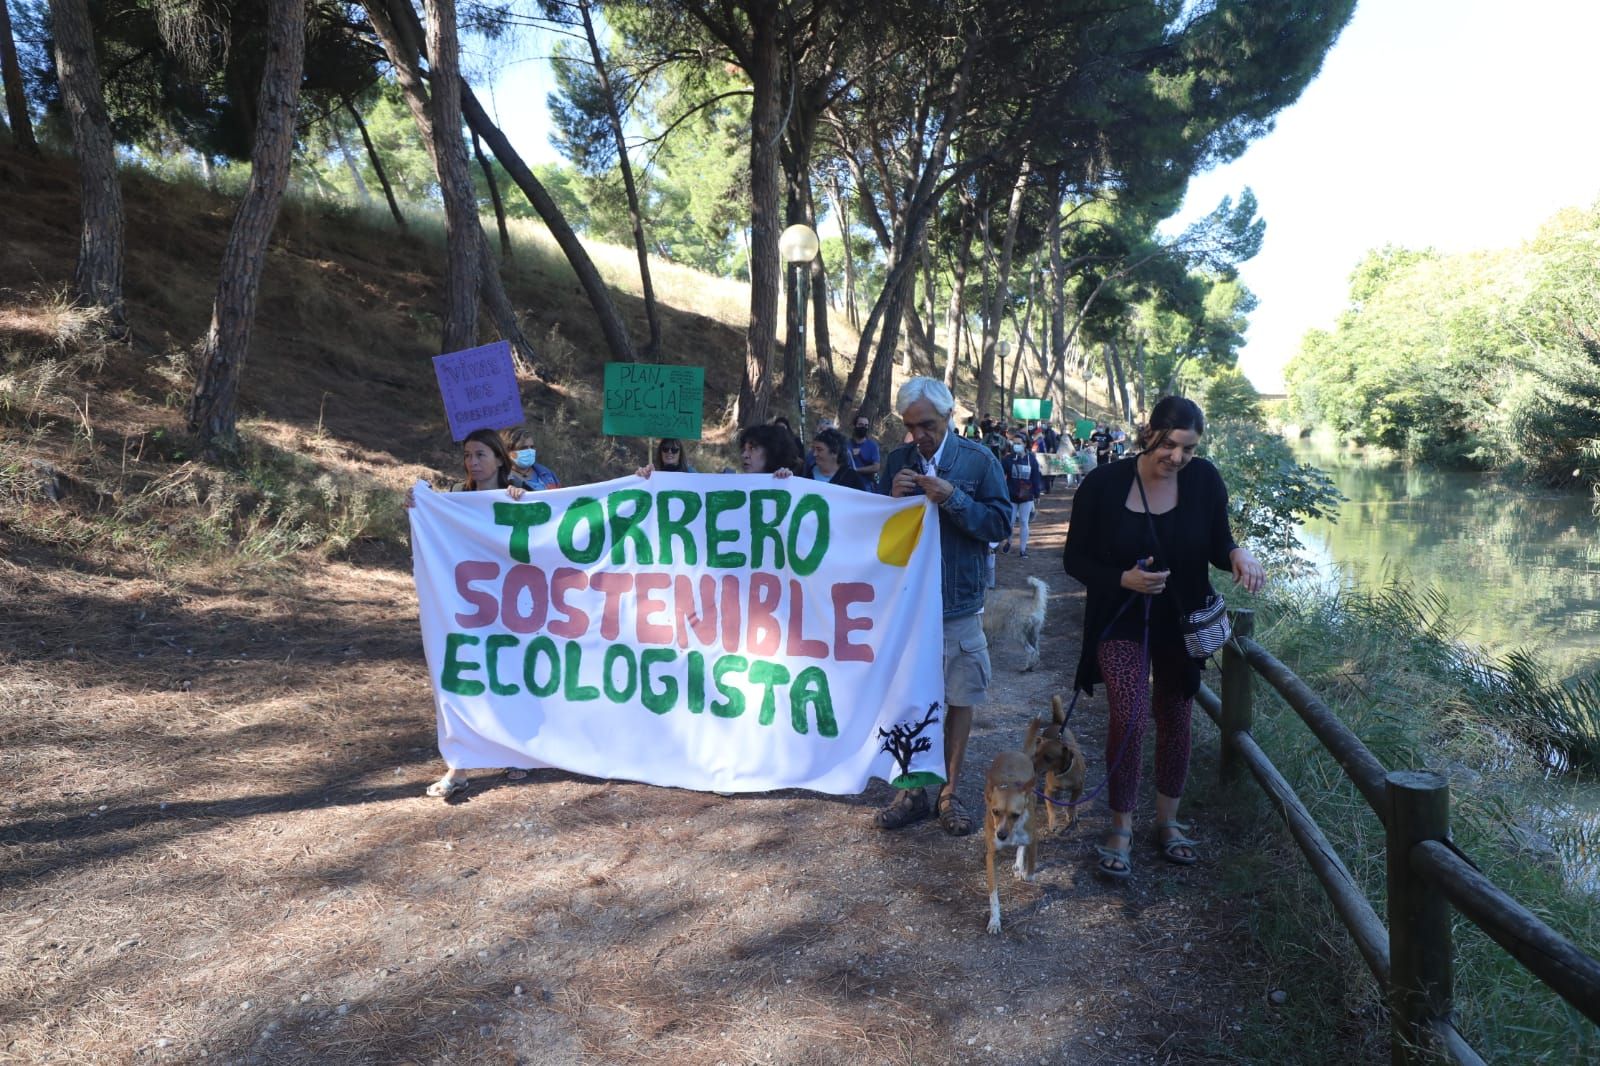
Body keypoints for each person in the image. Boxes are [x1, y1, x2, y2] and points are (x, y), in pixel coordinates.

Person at [1062, 396, 1265, 879]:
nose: (1178, 458)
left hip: (1182, 621)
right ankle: (1121, 826)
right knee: (1129, 715)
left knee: (1177, 718)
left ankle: (1168, 822)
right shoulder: (1103, 483)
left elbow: (1217, 541)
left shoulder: (1204, 480)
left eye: (1189, 449)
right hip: (1120, 619)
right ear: (1148, 432)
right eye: (1170, 445)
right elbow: (1075, 561)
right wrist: (1121, 579)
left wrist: (1238, 554)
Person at [874, 377, 1011, 836]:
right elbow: (874, 536)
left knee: (958, 698)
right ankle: (911, 791)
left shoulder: (977, 460)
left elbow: (999, 524)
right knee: (908, 700)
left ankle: (949, 794)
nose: (918, 436)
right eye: (910, 427)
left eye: (926, 425)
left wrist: (954, 498)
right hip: (908, 606)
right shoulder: (897, 461)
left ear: (950, 417)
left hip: (956, 605)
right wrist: (888, 503)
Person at [404, 428, 532, 799]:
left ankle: (518, 752)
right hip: (469, 608)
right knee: (463, 681)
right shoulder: (456, 501)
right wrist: (417, 506)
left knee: (512, 676)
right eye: (468, 456)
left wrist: (522, 504)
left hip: (517, 606)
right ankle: (458, 767)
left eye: (480, 455)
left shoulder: (520, 495)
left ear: (498, 459)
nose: (473, 463)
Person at [1000, 440, 1043, 556]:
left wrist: (1037, 494)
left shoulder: (1032, 459)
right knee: (1010, 522)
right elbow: (999, 472)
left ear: (1025, 444)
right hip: (1011, 495)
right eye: (1015, 443)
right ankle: (1008, 542)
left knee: (1024, 522)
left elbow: (1036, 477)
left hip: (1027, 495)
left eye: (1019, 443)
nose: (1016, 445)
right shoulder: (1008, 459)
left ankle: (1023, 550)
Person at [849, 415, 881, 488]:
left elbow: (876, 467)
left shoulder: (873, 446)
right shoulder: (847, 444)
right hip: (847, 482)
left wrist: (856, 470)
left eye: (866, 425)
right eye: (860, 425)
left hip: (865, 485)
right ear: (855, 426)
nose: (863, 427)